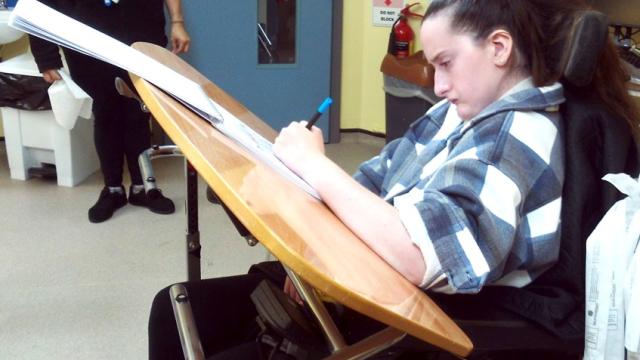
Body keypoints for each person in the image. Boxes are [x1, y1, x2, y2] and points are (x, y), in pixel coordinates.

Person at [148, 0, 640, 358]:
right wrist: (311, 245)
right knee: (172, 314)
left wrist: (315, 166)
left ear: (499, 47)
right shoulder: (461, 112)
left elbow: (420, 257)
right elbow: (375, 179)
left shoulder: (517, 134)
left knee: (204, 333)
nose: (438, 84)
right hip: (372, 280)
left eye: (446, 63)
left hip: (431, 311)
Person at [29, 0, 191, 223]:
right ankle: (113, 189)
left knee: (139, 113)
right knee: (106, 114)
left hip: (141, 32)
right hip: (86, 37)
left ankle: (143, 187)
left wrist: (177, 21)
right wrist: (46, 57)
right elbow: (40, 5)